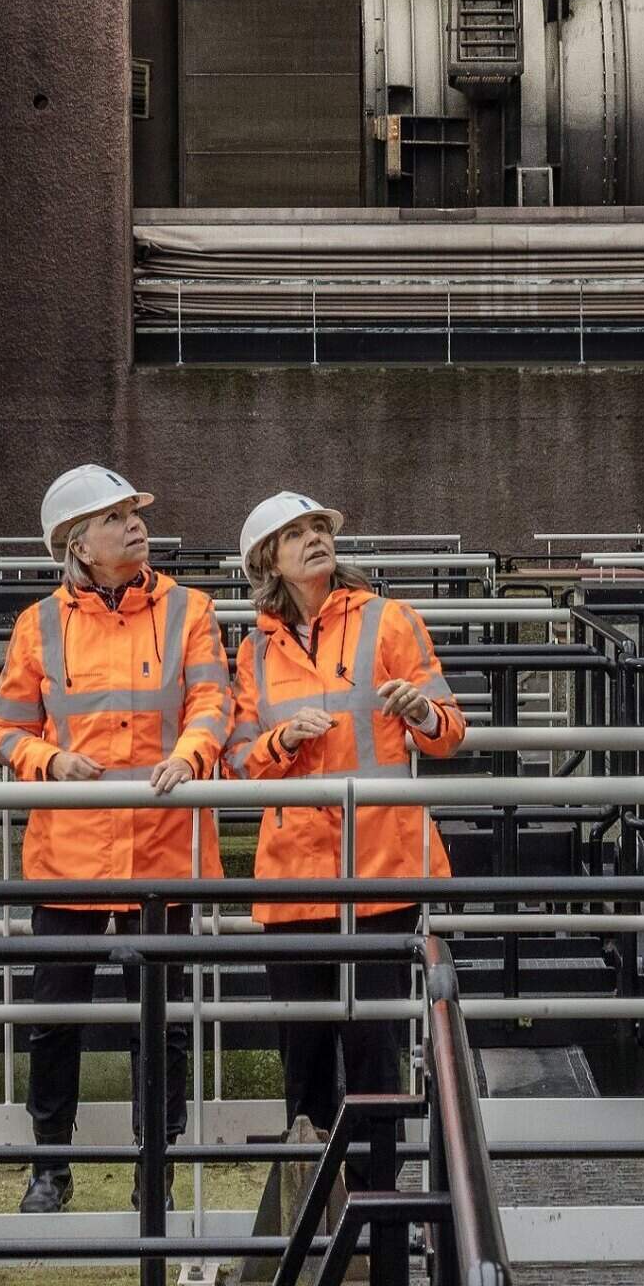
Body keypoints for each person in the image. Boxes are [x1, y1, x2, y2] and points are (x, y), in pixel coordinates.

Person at [0, 463, 230, 1214]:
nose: (135, 524)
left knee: (161, 1027)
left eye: (134, 512)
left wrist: (192, 754)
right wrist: (49, 760)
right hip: (71, 858)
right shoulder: (40, 624)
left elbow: (213, 698)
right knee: (54, 1022)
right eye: (116, 516)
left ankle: (152, 1166)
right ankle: (49, 1165)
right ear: (78, 544)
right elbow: (6, 730)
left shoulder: (190, 609)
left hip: (165, 851)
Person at [223, 488, 465, 1189]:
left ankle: (377, 1199)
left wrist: (422, 711)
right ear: (269, 559)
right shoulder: (254, 652)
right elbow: (236, 759)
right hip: (294, 874)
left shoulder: (390, 621)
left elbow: (449, 732)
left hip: (381, 867)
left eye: (320, 528)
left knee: (373, 1045)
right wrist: (279, 739)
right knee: (301, 1050)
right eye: (297, 533)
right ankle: (313, 1203)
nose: (316, 539)